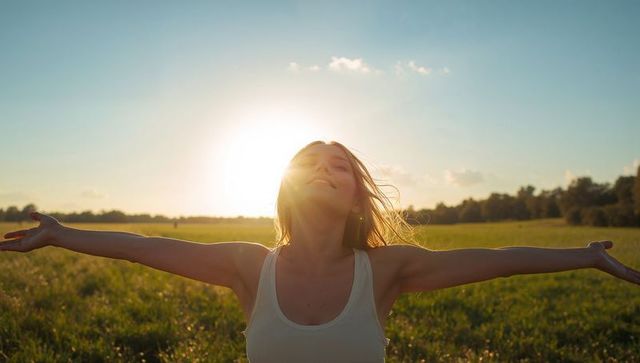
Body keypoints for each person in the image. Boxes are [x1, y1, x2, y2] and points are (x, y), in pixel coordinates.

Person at [1, 140, 639, 362]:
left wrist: (585, 256)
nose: (319, 170)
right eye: (305, 163)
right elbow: (145, 246)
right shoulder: (248, 267)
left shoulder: (386, 269)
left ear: (359, 195)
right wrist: (62, 234)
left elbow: (498, 256)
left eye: (337, 166)